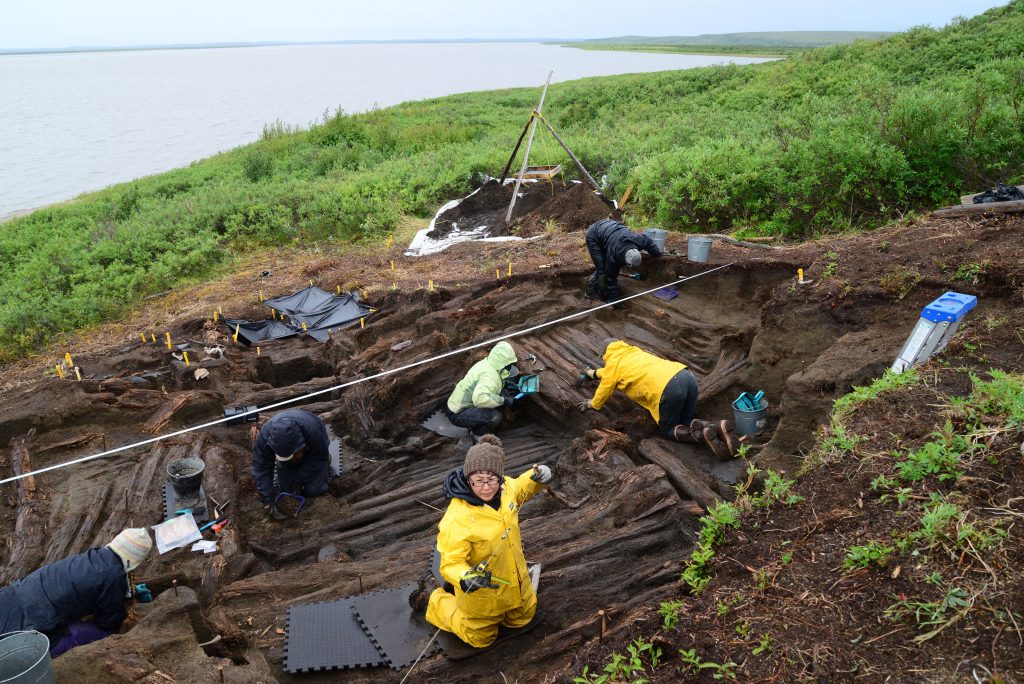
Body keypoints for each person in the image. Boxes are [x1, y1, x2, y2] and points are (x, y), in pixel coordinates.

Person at [423, 435, 553, 648]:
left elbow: (520, 487)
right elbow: (450, 563)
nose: (485, 487)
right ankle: (435, 598)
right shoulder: (457, 517)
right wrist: (466, 578)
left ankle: (514, 605)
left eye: (491, 479)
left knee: (523, 618)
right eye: (478, 480)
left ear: (500, 478)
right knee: (481, 639)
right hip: (483, 592)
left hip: (515, 580)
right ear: (468, 479)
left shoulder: (506, 489)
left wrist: (536, 475)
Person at [0, 528, 153, 657]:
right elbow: (107, 622)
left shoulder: (94, 555)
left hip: (18, 594)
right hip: (35, 624)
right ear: (135, 561)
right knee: (100, 634)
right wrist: (120, 602)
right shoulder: (114, 579)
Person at [577, 339, 738, 459]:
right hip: (686, 377)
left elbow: (606, 386)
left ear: (605, 354)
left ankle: (703, 436)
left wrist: (593, 404)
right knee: (686, 419)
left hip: (669, 390)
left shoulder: (613, 364)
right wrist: (591, 374)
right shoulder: (633, 351)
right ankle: (716, 427)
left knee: (668, 429)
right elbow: (606, 373)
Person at [252, 409, 335, 520]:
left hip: (314, 450)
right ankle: (290, 464)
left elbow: (319, 457)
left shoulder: (312, 431)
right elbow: (261, 468)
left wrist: (300, 478)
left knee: (315, 490)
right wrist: (267, 499)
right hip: (291, 450)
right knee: (285, 491)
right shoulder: (265, 438)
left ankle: (325, 469)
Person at [445, 341, 520, 437]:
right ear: (503, 363)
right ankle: (477, 434)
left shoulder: (488, 363)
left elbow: (492, 386)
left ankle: (477, 423)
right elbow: (480, 398)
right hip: (459, 413)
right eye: (509, 364)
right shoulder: (490, 376)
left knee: (500, 398)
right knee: (495, 417)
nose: (510, 366)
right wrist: (504, 401)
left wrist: (506, 385)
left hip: (455, 405)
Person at [585, 219, 663, 302]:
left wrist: (657, 253)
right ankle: (592, 292)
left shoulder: (638, 240)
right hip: (594, 234)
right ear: (625, 261)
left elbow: (649, 242)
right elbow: (611, 280)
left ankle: (602, 289)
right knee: (601, 268)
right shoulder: (613, 257)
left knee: (605, 267)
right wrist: (614, 300)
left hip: (612, 227)